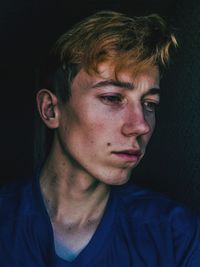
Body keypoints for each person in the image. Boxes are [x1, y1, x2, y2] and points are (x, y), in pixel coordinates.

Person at [0, 10, 200, 267]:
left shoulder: (178, 236)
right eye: (112, 98)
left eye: (150, 103)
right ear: (51, 109)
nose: (140, 125)